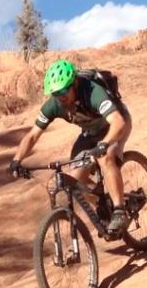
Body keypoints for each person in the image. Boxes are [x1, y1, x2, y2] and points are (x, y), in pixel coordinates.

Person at [9, 59, 133, 234]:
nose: (61, 95)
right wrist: (17, 160)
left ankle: (119, 211)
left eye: (64, 90)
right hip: (90, 132)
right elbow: (32, 135)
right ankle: (101, 201)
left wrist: (104, 144)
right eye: (55, 92)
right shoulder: (55, 104)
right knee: (75, 178)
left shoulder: (92, 92)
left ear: (74, 83)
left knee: (106, 158)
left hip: (117, 124)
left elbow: (118, 122)